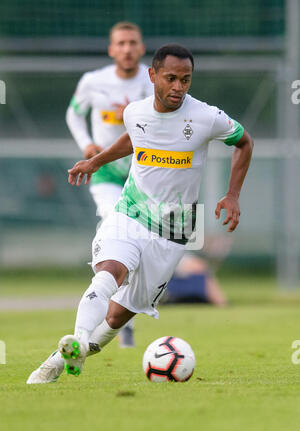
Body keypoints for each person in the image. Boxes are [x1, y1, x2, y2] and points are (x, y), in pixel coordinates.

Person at [27, 44, 253, 384]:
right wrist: (96, 161)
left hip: (174, 231)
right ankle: (71, 346)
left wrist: (233, 194)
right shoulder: (135, 111)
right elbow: (134, 138)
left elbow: (244, 142)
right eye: (171, 78)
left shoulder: (206, 116)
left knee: (117, 316)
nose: (179, 87)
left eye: (186, 80)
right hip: (130, 213)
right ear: (154, 76)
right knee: (110, 271)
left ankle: (67, 356)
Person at [66, 22, 153, 348]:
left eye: (133, 42)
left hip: (142, 173)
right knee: (114, 221)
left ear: (142, 48)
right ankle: (107, 304)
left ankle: (122, 309)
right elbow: (73, 114)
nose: (127, 48)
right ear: (111, 49)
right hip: (104, 171)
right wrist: (87, 144)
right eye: (121, 43)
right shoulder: (93, 81)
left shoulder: (154, 79)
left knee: (143, 240)